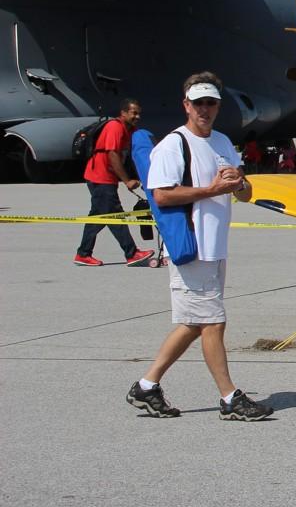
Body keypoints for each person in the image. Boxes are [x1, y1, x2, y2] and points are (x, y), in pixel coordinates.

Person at [126, 72, 274, 421]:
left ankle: (146, 387)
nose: (204, 109)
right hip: (191, 247)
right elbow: (161, 195)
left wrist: (239, 184)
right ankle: (229, 398)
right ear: (186, 105)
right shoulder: (172, 146)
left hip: (215, 247)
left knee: (194, 323)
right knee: (213, 323)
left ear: (218, 106)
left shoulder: (223, 142)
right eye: (198, 103)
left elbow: (245, 191)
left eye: (210, 103)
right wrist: (210, 190)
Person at [75, 98, 153, 267]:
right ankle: (131, 253)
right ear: (123, 113)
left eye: (139, 113)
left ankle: (83, 254)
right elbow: (112, 155)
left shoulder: (129, 130)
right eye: (134, 113)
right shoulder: (114, 127)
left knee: (99, 216)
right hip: (99, 177)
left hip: (104, 177)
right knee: (115, 215)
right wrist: (126, 180)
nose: (137, 116)